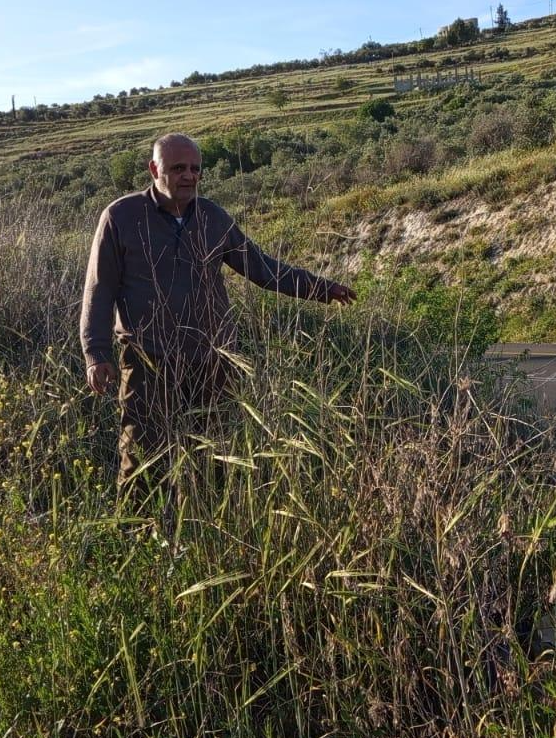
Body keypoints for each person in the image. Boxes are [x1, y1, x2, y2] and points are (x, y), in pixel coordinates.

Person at [80, 132, 356, 489]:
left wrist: (321, 288)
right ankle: (138, 535)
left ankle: (204, 525)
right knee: (142, 456)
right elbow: (99, 290)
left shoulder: (212, 217)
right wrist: (96, 353)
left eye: (196, 169)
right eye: (178, 168)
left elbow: (262, 268)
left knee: (215, 452)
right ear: (154, 169)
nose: (189, 176)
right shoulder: (121, 216)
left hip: (212, 357)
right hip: (148, 357)